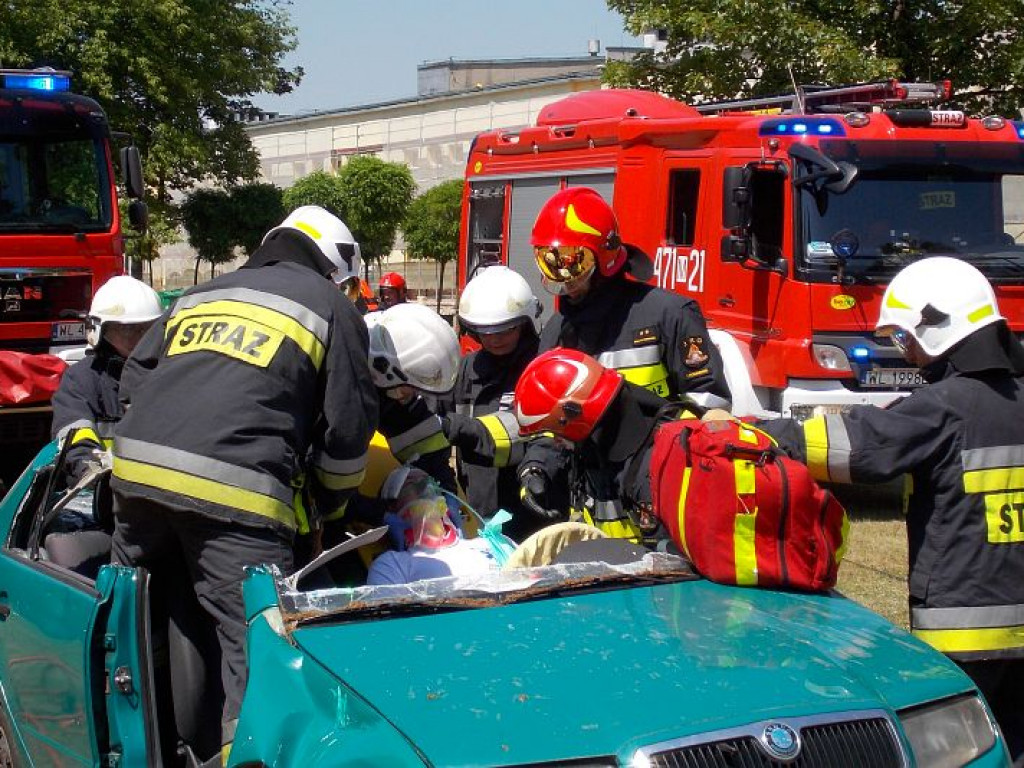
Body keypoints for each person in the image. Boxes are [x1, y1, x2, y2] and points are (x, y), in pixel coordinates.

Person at [109, 204, 378, 764]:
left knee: (126, 616)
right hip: (236, 497)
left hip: (133, 477)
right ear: (335, 266)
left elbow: (134, 377)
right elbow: (349, 433)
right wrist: (327, 509)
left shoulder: (203, 292)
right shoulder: (331, 306)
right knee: (257, 652)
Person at [759, 257, 1024, 759]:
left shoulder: (945, 406)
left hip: (966, 635)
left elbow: (856, 446)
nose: (911, 354)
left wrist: (759, 431)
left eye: (907, 339)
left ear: (939, 326)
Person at [519, 187, 730, 535]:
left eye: (574, 261)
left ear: (605, 255)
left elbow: (711, 405)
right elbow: (548, 421)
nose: (565, 279)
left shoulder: (668, 314)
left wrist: (655, 457)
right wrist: (537, 466)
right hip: (593, 503)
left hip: (665, 497)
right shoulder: (558, 332)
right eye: (551, 262)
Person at [514, 346, 679, 543]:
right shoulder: (599, 444)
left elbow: (673, 561)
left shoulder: (664, 460)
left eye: (556, 433)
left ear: (575, 415)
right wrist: (534, 470)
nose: (554, 441)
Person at [439, 265, 548, 540]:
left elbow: (523, 433)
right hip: (478, 509)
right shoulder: (466, 369)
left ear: (524, 323)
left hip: (531, 513)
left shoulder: (542, 369)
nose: (494, 339)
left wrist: (453, 426)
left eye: (504, 330)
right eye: (485, 332)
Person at [51, 276, 163, 482]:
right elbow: (75, 443)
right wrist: (93, 473)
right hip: (97, 493)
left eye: (147, 328)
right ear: (100, 331)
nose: (138, 337)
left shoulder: (168, 373)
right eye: (127, 329)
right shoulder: (81, 381)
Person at [366, 466, 501, 585]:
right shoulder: (392, 564)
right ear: (394, 509)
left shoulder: (489, 544)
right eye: (414, 486)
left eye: (431, 482)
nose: (428, 488)